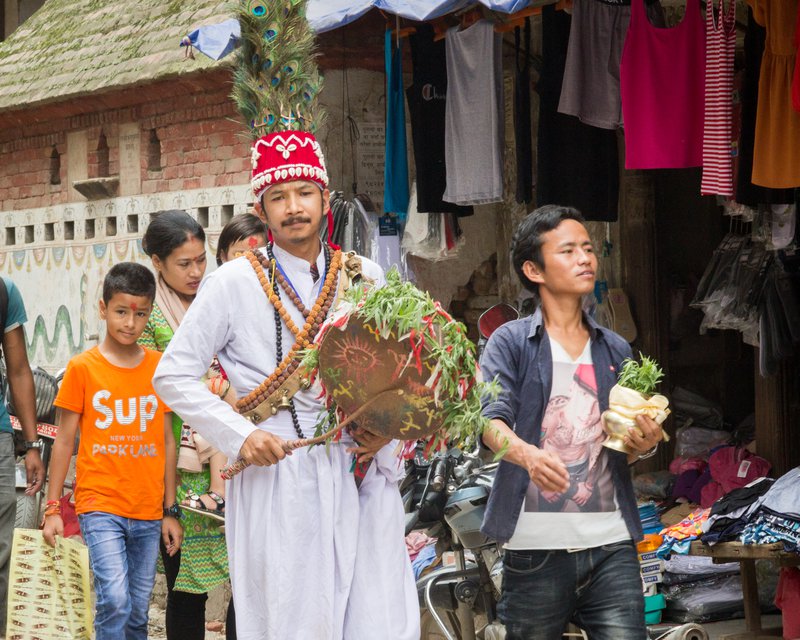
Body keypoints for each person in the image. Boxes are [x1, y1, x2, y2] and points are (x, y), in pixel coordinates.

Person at [152, 128, 419, 639]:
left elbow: (399, 374)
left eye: (304, 193)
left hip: (361, 472)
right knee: (293, 621)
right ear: (263, 205)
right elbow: (172, 375)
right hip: (278, 477)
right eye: (278, 196)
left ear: (324, 196)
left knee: (376, 621)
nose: (293, 207)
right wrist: (241, 436)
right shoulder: (232, 282)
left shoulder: (366, 276)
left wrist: (389, 434)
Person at [479, 205, 664, 640]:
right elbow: (489, 420)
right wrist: (526, 454)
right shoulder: (510, 342)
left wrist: (645, 442)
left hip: (611, 543)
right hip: (535, 550)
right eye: (567, 250)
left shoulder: (616, 347)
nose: (584, 258)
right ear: (533, 269)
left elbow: (624, 445)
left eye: (587, 248)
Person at [42, 263, 182, 640]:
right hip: (100, 504)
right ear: (103, 309)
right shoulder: (82, 369)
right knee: (115, 601)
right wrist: (52, 507)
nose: (130, 323)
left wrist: (170, 509)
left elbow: (167, 440)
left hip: (148, 508)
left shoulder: (158, 368)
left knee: (137, 612)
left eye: (140, 314)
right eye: (121, 311)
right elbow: (64, 442)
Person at [137, 210, 230, 640]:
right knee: (185, 590)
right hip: (179, 469)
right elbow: (144, 393)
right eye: (183, 264)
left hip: (231, 458)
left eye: (200, 260)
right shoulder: (147, 317)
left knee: (246, 582)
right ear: (157, 262)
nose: (196, 272)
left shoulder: (217, 299)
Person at [0, 277, 45, 632]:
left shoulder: (4, 291)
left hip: (0, 437)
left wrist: (32, 445)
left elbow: (18, 370)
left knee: (3, 549)